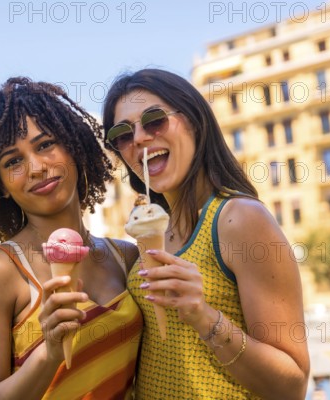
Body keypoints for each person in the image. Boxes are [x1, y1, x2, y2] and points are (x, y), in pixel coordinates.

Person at [102, 69, 310, 399]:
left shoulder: (239, 219)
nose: (139, 138)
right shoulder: (152, 234)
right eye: (122, 134)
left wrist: (203, 315)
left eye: (154, 120)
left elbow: (293, 385)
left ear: (195, 121)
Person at [0, 77, 141, 399]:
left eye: (45, 145)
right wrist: (48, 353)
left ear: (73, 147)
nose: (36, 167)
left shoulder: (126, 257)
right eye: (13, 161)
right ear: (0, 184)